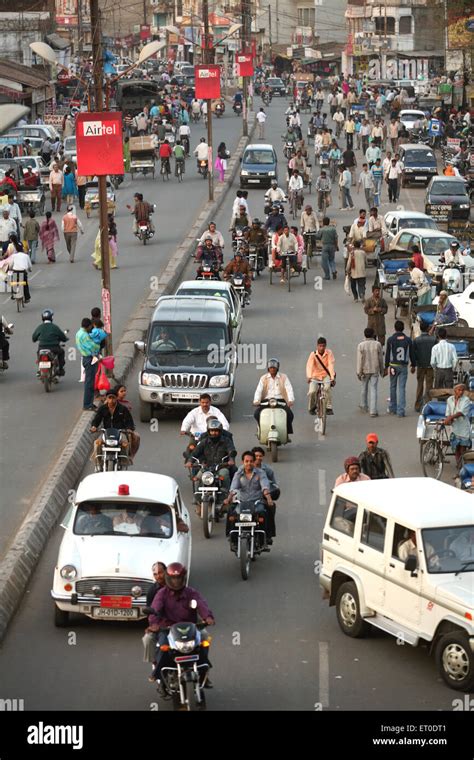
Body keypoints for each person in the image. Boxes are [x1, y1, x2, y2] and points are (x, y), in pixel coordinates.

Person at [148, 563, 215, 689]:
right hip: (167, 629)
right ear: (168, 578)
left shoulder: (191, 592)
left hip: (190, 628)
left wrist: (208, 617)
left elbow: (201, 604)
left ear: (183, 578)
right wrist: (154, 624)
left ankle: (203, 672)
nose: (176, 581)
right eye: (173, 578)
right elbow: (155, 609)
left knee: (205, 639)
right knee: (163, 646)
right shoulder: (161, 594)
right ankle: (158, 673)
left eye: (178, 578)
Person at [225, 451, 275, 545]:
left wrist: (268, 498)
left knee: (264, 512)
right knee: (231, 513)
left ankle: (265, 537)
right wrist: (228, 498)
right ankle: (232, 537)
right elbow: (233, 488)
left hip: (256, 502)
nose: (249, 463)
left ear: (254, 462)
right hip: (241, 501)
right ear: (243, 462)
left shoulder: (261, 473)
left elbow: (265, 486)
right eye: (246, 461)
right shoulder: (239, 473)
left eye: (251, 461)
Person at [186, 419, 235, 508]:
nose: (214, 433)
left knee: (225, 474)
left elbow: (231, 450)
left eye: (216, 431)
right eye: (212, 431)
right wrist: (190, 461)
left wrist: (231, 459)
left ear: (220, 431)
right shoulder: (204, 441)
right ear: (209, 431)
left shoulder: (226, 441)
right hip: (207, 467)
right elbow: (195, 453)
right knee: (198, 477)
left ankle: (225, 496)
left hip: (221, 466)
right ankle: (198, 498)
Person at [90, 388, 135, 462]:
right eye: (109, 398)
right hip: (106, 432)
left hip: (120, 432)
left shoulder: (123, 409)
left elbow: (129, 421)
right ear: (106, 398)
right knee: (97, 443)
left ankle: (124, 461)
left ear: (117, 398)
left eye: (113, 398)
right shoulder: (102, 408)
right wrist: (94, 426)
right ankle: (98, 463)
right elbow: (97, 419)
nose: (111, 400)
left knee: (125, 444)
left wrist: (129, 428)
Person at [253, 357, 295, 436]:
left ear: (277, 367)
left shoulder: (284, 377)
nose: (272, 369)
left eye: (274, 367)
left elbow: (289, 389)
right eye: (271, 367)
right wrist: (256, 400)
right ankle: (261, 429)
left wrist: (290, 400)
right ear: (268, 368)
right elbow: (259, 390)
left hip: (280, 401)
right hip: (266, 401)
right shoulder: (263, 378)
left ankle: (286, 432)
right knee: (256, 414)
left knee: (289, 415)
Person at [384, 320, 414, 417]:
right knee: (402, 388)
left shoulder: (390, 340)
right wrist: (413, 364)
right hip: (403, 366)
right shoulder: (408, 340)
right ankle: (401, 411)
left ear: (395, 328)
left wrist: (386, 367)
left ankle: (392, 408)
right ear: (403, 328)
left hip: (393, 366)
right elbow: (412, 354)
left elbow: (388, 354)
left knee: (393, 386)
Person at [142, 562, 167, 673]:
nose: (158, 576)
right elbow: (150, 611)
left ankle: (202, 669)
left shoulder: (176, 585)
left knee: (203, 637)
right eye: (155, 574)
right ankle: (155, 664)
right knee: (148, 639)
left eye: (160, 573)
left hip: (178, 622)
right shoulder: (152, 590)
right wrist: (153, 624)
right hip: (160, 624)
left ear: (166, 572)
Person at [357, 327, 384, 417]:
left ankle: (364, 405)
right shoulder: (377, 344)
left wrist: (359, 372)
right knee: (374, 389)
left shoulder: (361, 345)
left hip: (365, 370)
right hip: (375, 370)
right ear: (373, 335)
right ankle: (373, 411)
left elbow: (359, 360)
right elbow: (380, 359)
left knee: (364, 388)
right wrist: (382, 370)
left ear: (364, 335)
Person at [32, 309, 68, 377]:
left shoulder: (40, 327)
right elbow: (63, 337)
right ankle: (60, 369)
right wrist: (65, 339)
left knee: (38, 354)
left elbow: (34, 338)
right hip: (54, 348)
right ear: (51, 318)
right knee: (61, 352)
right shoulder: (54, 327)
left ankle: (39, 369)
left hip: (42, 348)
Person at [443, 383, 472, 466]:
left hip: (463, 428)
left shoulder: (466, 400)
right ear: (455, 390)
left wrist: (450, 418)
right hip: (454, 428)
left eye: (463, 390)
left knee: (462, 449)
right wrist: (449, 419)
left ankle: (462, 466)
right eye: (459, 390)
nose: (461, 392)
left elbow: (461, 413)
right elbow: (448, 412)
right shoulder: (449, 400)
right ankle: (459, 465)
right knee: (456, 448)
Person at [76, 317, 101, 411]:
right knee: (89, 383)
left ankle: (89, 403)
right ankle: (87, 404)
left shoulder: (79, 333)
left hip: (85, 357)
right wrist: (98, 346)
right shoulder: (84, 335)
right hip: (89, 358)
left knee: (89, 381)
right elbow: (92, 346)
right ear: (88, 326)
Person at [411, 320, 436, 412]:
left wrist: (413, 365)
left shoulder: (416, 340)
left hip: (420, 366)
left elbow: (413, 354)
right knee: (429, 386)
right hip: (430, 366)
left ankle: (417, 405)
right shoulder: (433, 339)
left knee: (420, 385)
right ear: (428, 328)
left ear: (421, 329)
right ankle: (428, 406)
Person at [306, 337, 336, 415]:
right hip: (315, 375)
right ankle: (312, 407)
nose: (321, 348)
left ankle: (328, 407)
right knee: (312, 391)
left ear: (325, 346)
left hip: (325, 375)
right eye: (320, 346)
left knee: (327, 388)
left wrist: (332, 377)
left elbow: (331, 365)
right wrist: (309, 376)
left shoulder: (329, 353)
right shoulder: (313, 354)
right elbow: (309, 366)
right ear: (317, 346)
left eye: (323, 346)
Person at [315, 216, 338, 280]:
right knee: (332, 260)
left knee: (324, 262)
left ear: (323, 222)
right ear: (328, 222)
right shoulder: (333, 229)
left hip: (325, 246)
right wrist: (336, 246)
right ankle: (333, 270)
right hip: (332, 245)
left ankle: (327, 275)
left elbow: (318, 237)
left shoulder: (322, 229)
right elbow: (336, 238)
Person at [9, 237, 31, 303]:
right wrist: (30, 269)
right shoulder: (26, 256)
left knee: (14, 283)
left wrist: (10, 269)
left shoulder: (14, 256)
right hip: (23, 272)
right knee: (25, 284)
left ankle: (13, 294)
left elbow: (10, 265)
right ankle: (27, 298)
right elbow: (29, 266)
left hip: (15, 272)